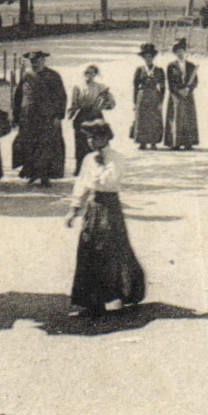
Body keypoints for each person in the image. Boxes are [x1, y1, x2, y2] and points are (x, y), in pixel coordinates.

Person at [65, 121, 146, 316]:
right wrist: (74, 209)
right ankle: (91, 302)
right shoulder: (88, 159)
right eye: (88, 138)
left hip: (109, 207)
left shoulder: (116, 158)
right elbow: (82, 184)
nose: (91, 141)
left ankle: (122, 293)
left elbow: (109, 182)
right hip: (93, 207)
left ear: (105, 138)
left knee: (110, 249)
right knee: (88, 249)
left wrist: (100, 168)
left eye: (95, 137)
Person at [13, 50, 66, 184]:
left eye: (37, 61)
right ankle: (32, 173)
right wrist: (16, 116)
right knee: (30, 145)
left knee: (46, 146)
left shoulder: (53, 76)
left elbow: (61, 97)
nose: (35, 64)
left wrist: (58, 116)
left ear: (43, 61)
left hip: (47, 118)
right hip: (28, 117)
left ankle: (44, 176)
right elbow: (18, 96)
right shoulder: (27, 76)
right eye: (32, 62)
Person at [67, 64, 115, 174]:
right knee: (80, 143)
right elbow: (73, 104)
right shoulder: (77, 87)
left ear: (95, 75)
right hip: (82, 116)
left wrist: (104, 104)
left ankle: (99, 167)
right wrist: (72, 112)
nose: (89, 75)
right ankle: (80, 167)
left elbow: (111, 103)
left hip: (96, 116)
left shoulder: (100, 87)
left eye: (92, 73)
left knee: (97, 142)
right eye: (87, 73)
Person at [165, 38, 200, 150]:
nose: (180, 54)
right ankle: (175, 142)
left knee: (188, 118)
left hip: (188, 95)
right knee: (176, 118)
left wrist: (188, 89)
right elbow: (170, 82)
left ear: (185, 52)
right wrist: (179, 91)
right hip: (175, 96)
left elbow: (195, 81)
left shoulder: (191, 66)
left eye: (181, 51)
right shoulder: (171, 66)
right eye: (177, 52)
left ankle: (188, 142)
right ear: (174, 53)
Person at [130, 43, 166, 150]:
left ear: (153, 57)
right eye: (146, 57)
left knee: (154, 119)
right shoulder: (139, 70)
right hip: (142, 96)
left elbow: (163, 87)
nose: (148, 59)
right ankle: (142, 142)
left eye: (150, 57)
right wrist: (135, 102)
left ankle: (153, 142)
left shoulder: (159, 70)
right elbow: (135, 87)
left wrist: (161, 102)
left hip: (154, 96)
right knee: (142, 119)